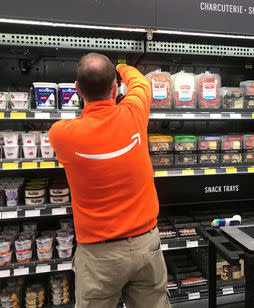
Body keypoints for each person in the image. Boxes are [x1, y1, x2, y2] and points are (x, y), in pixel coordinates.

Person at [49, 53, 171, 308]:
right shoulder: (134, 113)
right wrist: (121, 65)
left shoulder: (62, 134)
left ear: (77, 90)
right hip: (145, 246)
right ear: (116, 89)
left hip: (98, 255)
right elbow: (140, 83)